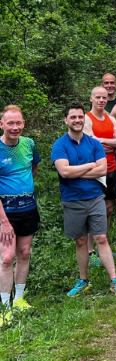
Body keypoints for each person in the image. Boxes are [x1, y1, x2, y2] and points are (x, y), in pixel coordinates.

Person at [51, 102, 116, 297]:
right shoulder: (59, 144)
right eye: (73, 117)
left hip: (95, 197)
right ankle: (83, 280)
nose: (77, 120)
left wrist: (76, 171)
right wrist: (89, 166)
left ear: (84, 119)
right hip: (72, 199)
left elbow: (102, 169)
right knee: (81, 241)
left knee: (101, 237)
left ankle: (114, 280)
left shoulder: (93, 143)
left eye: (80, 117)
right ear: (66, 120)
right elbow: (64, 171)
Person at [0, 105, 40, 315]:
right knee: (7, 257)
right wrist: (4, 222)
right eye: (10, 123)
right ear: (2, 124)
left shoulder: (29, 144)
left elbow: (34, 168)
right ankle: (5, 308)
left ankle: (19, 299)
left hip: (28, 208)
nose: (15, 127)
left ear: (23, 123)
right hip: (4, 213)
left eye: (18, 123)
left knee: (24, 253)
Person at [84, 86, 116, 247]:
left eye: (104, 98)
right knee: (95, 210)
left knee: (109, 208)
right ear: (91, 98)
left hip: (111, 168)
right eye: (98, 97)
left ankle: (103, 244)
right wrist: (107, 143)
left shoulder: (110, 118)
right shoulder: (87, 119)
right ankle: (90, 249)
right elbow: (90, 143)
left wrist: (101, 141)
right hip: (95, 170)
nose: (101, 100)